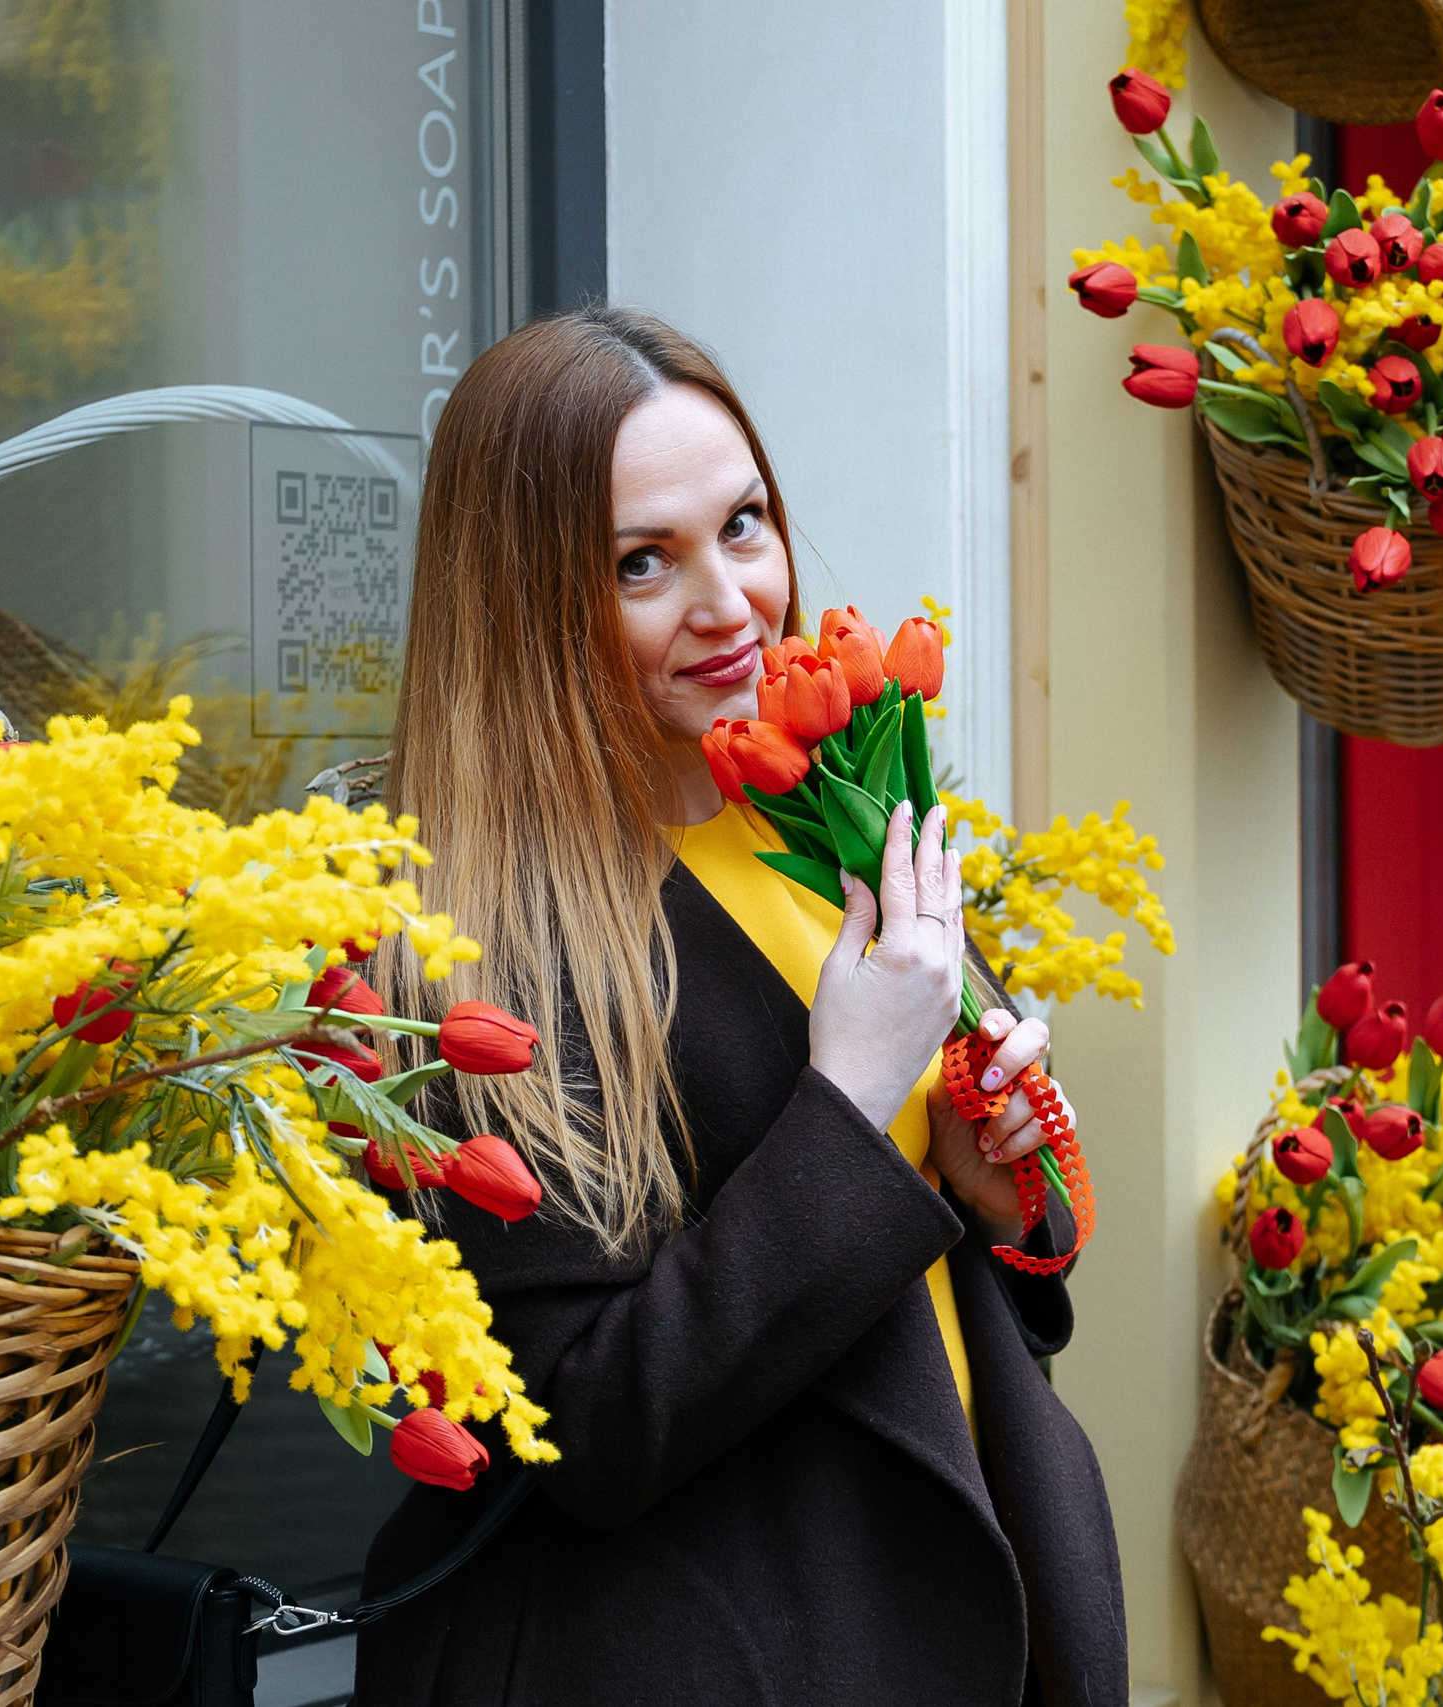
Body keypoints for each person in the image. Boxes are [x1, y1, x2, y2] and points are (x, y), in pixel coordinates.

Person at [355, 307, 1125, 1706]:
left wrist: (977, 1175)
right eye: (643, 561)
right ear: (524, 603)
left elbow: (933, 1277)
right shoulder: (466, 945)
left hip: (950, 1611)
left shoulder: (811, 812)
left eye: (745, 526)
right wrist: (846, 1100)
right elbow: (580, 1421)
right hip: (719, 1652)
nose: (730, 601)